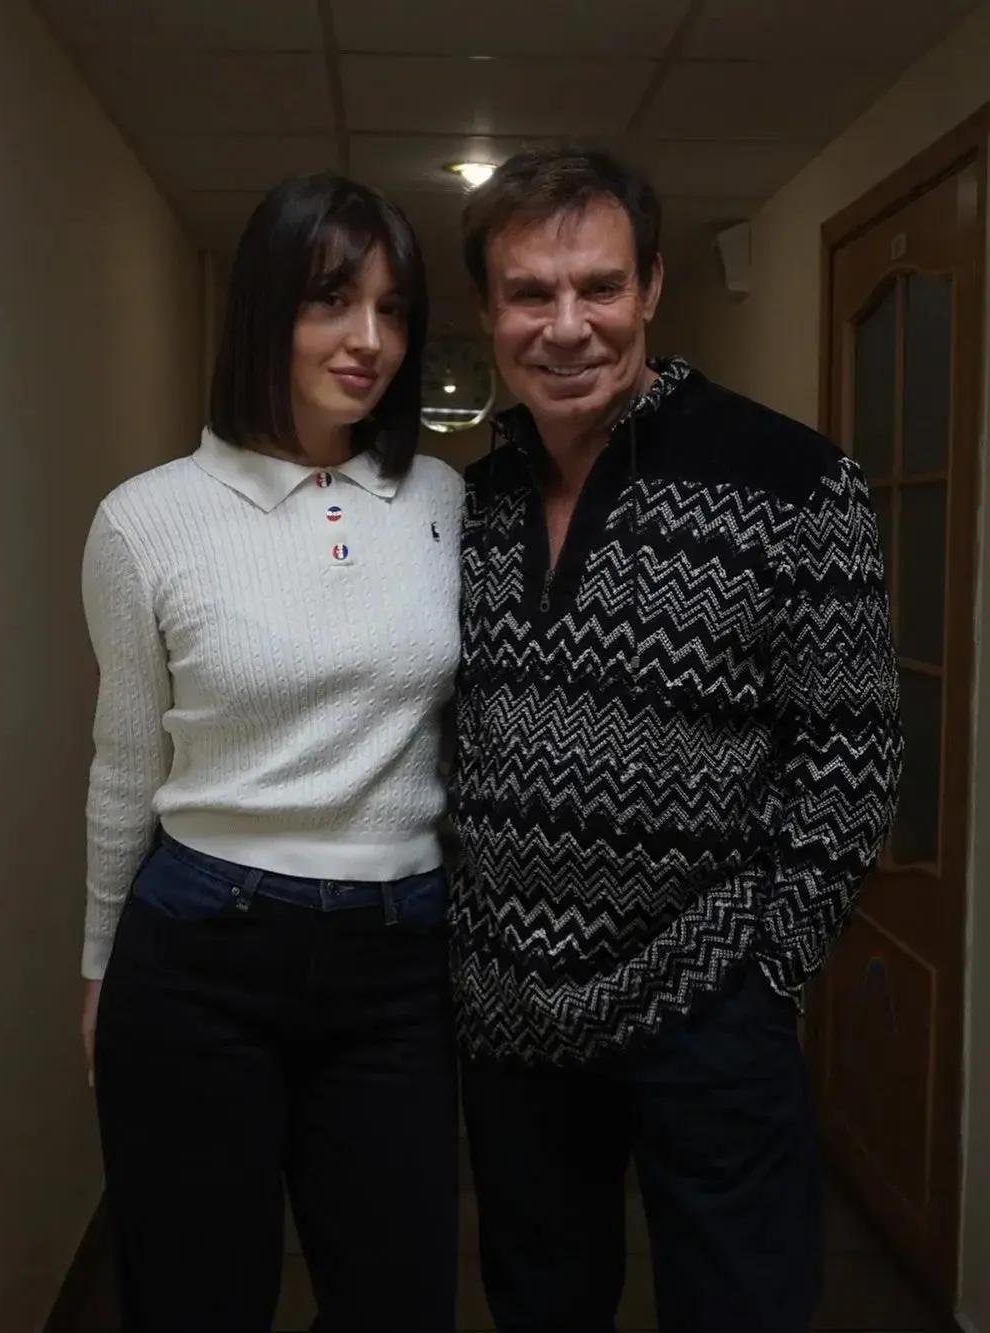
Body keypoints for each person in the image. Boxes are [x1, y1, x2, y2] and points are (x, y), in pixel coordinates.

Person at [449, 147, 903, 1333]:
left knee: (739, 1305)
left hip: (706, 1002)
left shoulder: (795, 481)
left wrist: (767, 967)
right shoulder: (469, 505)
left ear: (651, 286)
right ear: (488, 310)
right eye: (528, 293)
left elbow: (851, 753)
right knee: (540, 1304)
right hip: (509, 1019)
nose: (566, 327)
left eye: (599, 286)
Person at [80, 173, 462, 1333]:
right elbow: (125, 763)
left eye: (393, 309)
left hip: (399, 960)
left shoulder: (444, 499)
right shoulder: (145, 518)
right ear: (262, 310)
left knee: (398, 1298)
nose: (369, 339)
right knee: (195, 1299)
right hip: (200, 952)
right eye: (330, 300)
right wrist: (97, 970)